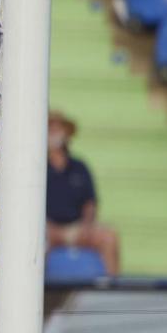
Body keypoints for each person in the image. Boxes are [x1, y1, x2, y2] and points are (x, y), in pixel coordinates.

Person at [45, 111, 121, 276]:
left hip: (77, 228)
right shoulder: (37, 167)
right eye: (50, 128)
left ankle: (112, 287)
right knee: (34, 241)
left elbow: (90, 203)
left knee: (109, 237)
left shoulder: (80, 167)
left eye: (59, 129)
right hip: (48, 229)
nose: (54, 134)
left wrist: (86, 225)